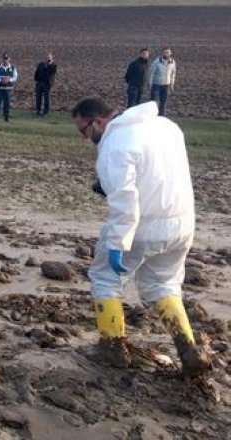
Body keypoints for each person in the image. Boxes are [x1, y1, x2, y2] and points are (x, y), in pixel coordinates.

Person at [70, 97, 211, 377]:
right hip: (182, 224)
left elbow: (125, 199)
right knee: (164, 284)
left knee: (106, 279)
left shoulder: (115, 142)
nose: (87, 139)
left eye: (84, 131)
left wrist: (117, 243)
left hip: (142, 226)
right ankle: (189, 348)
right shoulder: (167, 127)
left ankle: (112, 348)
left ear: (99, 121)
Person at [148, 47, 176, 116]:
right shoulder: (156, 62)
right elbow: (151, 73)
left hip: (166, 85)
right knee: (154, 103)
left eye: (168, 52)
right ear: (162, 53)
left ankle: (161, 117)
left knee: (163, 103)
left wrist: (172, 84)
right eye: (165, 52)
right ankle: (152, 116)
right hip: (156, 85)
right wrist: (150, 84)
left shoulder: (172, 62)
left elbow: (173, 73)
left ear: (170, 53)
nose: (166, 54)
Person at [0, 52, 18, 122]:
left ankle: (6, 118)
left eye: (7, 59)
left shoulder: (13, 68)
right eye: (4, 59)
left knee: (7, 104)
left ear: (9, 59)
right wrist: (0, 80)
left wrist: (9, 80)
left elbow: (15, 77)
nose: (5, 60)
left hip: (8, 89)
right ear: (2, 59)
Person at [33, 51, 57, 117]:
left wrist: (49, 64)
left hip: (47, 84)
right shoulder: (40, 64)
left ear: (52, 58)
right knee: (38, 98)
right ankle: (38, 111)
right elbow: (36, 72)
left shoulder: (53, 66)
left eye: (49, 57)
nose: (47, 59)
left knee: (47, 99)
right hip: (39, 83)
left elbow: (52, 74)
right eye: (46, 57)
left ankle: (46, 112)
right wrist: (36, 80)